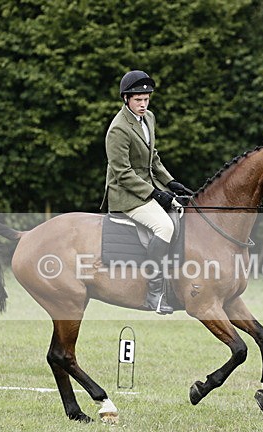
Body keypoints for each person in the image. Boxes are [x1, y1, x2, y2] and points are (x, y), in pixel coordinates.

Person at [101, 70, 192, 314]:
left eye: (146, 99)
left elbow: (154, 159)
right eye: (138, 100)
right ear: (126, 99)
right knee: (165, 226)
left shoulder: (148, 118)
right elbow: (123, 173)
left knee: (183, 212)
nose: (143, 104)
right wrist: (156, 193)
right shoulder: (118, 130)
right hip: (127, 195)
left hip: (149, 186)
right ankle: (154, 294)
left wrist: (171, 183)